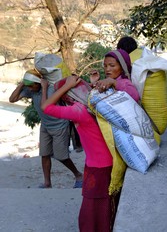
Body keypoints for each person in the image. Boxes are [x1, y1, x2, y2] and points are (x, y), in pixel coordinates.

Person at [41, 75, 119, 232]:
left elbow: (46, 107)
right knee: (104, 204)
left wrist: (64, 86)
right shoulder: (93, 103)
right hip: (107, 162)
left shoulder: (79, 111)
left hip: (98, 167)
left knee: (91, 209)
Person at [9, 69, 83, 189]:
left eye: (32, 86)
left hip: (60, 125)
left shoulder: (51, 89)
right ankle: (47, 183)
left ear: (38, 83)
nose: (30, 89)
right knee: (44, 154)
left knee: (61, 156)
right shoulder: (31, 89)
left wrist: (43, 88)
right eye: (29, 87)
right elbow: (12, 99)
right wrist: (22, 83)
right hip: (45, 125)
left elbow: (45, 107)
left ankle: (78, 175)